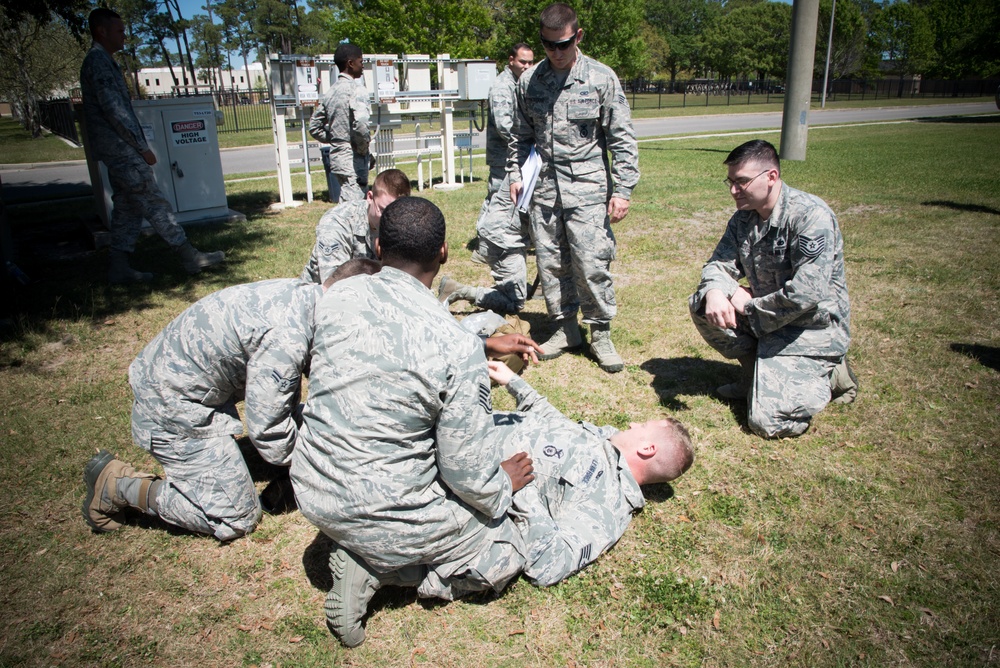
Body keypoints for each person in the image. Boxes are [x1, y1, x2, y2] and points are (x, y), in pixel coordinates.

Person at [291, 197, 535, 647]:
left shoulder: (338, 294)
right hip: (380, 508)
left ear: (379, 246)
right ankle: (378, 568)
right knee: (507, 545)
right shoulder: (453, 346)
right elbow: (465, 471)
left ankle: (370, 551)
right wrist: (502, 485)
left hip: (312, 487)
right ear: (443, 254)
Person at [82, 276, 329, 540]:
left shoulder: (310, 297)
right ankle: (119, 486)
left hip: (188, 387)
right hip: (172, 409)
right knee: (237, 518)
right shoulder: (288, 337)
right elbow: (269, 430)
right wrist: (317, 468)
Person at [689, 139, 858, 439]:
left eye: (741, 182)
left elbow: (807, 293)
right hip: (767, 322)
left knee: (766, 423)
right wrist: (717, 291)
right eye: (730, 182)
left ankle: (832, 373)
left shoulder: (810, 216)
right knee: (703, 303)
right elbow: (717, 264)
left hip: (810, 331)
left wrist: (747, 305)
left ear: (771, 177)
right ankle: (755, 375)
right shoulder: (744, 218)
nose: (732, 191)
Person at [507, 3, 639, 373]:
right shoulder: (529, 81)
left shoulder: (600, 78)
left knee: (591, 262)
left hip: (588, 189)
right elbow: (519, 137)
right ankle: (566, 329)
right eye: (548, 45)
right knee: (551, 264)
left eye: (563, 44)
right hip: (545, 190)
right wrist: (517, 176)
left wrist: (623, 188)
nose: (556, 52)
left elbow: (621, 138)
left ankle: (601, 333)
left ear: (577, 36)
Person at [487, 360, 694, 585]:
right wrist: (513, 381)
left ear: (647, 449)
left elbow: (551, 565)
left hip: (462, 457)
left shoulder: (607, 507)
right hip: (473, 421)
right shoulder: (604, 442)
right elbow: (557, 422)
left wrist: (519, 486)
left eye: (643, 426)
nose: (633, 424)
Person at [80, 8, 225, 284]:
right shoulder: (97, 62)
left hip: (117, 148)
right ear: (102, 31)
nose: (124, 36)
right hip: (122, 149)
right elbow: (115, 110)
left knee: (127, 206)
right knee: (153, 200)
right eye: (120, 30)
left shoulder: (103, 61)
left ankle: (118, 266)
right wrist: (141, 147)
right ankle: (188, 256)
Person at [438, 44, 535, 315]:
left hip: (517, 165)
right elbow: (507, 128)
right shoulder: (503, 87)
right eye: (522, 62)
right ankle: (483, 269)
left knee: (508, 215)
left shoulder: (523, 86)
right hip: (504, 163)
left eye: (531, 62)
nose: (527, 67)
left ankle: (508, 273)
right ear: (511, 61)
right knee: (500, 211)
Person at [300, 169, 411, 285]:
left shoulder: (401, 221)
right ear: (370, 197)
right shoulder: (337, 223)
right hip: (322, 296)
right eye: (383, 210)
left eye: (397, 212)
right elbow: (333, 285)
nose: (390, 219)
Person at [309, 43, 372, 203]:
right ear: (350, 63)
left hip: (337, 159)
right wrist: (363, 149)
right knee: (355, 208)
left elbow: (314, 127)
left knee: (346, 202)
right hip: (353, 159)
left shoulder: (330, 92)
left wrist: (336, 138)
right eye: (360, 60)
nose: (363, 65)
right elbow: (362, 124)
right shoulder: (357, 90)